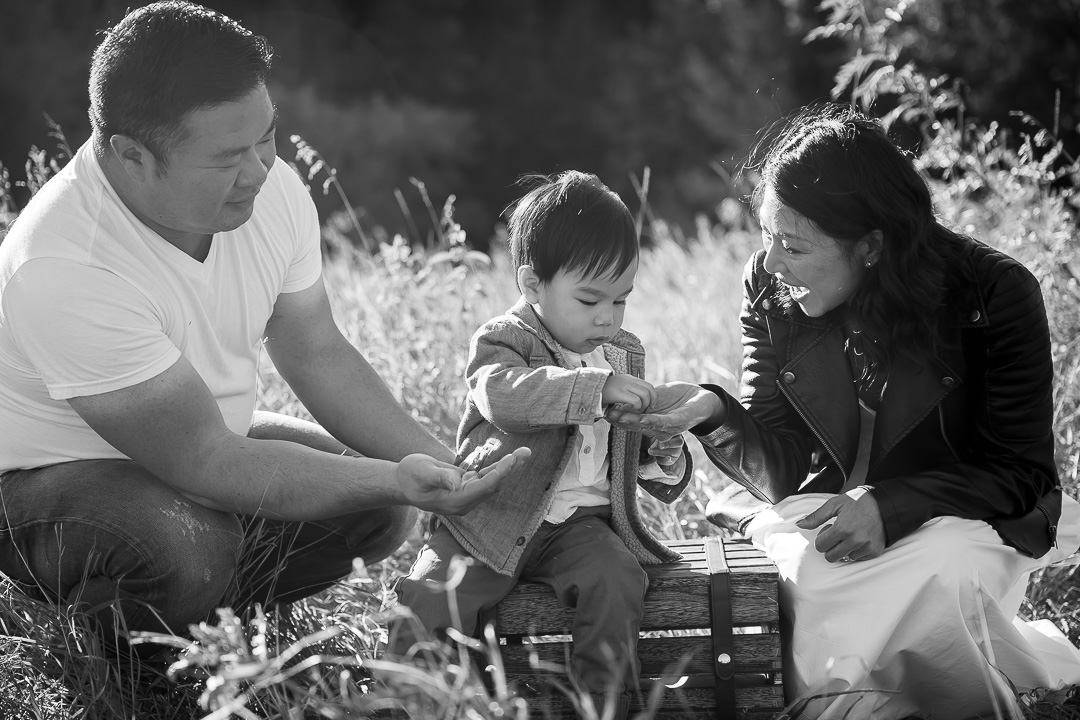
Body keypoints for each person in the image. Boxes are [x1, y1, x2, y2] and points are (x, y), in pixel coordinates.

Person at [0, 0, 528, 653]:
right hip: (47, 481)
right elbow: (205, 460)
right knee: (187, 547)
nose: (259, 171)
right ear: (131, 156)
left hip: (205, 439)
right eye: (227, 158)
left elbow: (317, 352)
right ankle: (110, 657)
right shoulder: (62, 265)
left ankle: (201, 628)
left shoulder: (269, 189)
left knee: (374, 512)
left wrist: (450, 473)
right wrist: (393, 476)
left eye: (267, 136)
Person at [608, 103, 1080, 719]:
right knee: (807, 571)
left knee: (940, 573)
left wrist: (891, 505)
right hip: (826, 506)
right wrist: (709, 411)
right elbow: (779, 464)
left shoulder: (993, 293)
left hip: (961, 513)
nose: (772, 263)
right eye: (767, 238)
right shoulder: (769, 283)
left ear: (872, 246)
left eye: (795, 247)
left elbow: (1020, 474)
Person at [391, 171, 692, 719]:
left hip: (578, 527)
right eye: (589, 298)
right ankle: (411, 704)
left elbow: (617, 446)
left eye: (621, 301)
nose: (607, 317)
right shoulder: (506, 340)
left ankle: (599, 706)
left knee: (618, 579)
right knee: (431, 597)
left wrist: (657, 453)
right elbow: (505, 397)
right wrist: (593, 391)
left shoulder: (620, 354)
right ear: (533, 286)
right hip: (489, 519)